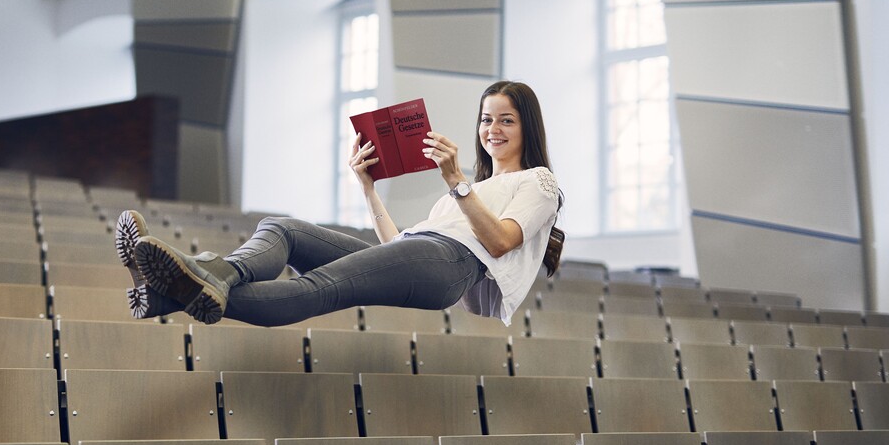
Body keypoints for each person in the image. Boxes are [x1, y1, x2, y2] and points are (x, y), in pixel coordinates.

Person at [115, 80, 565, 327]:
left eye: (506, 120)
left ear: (528, 127)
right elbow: (396, 243)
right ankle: (173, 292)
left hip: (449, 264)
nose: (493, 129)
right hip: (420, 253)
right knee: (283, 229)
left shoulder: (540, 182)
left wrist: (455, 181)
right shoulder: (478, 188)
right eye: (487, 119)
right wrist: (368, 187)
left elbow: (503, 241)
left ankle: (191, 279)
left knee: (314, 290)